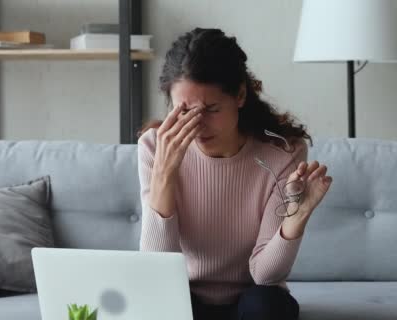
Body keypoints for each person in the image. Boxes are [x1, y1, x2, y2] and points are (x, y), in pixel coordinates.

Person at [137, 28, 333, 320]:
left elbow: (265, 275)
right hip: (183, 295)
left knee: (268, 306)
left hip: (252, 298)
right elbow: (155, 269)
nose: (198, 125)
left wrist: (296, 218)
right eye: (185, 111)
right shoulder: (155, 146)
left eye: (211, 109)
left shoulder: (283, 152)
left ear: (240, 94)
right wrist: (165, 174)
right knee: (155, 306)